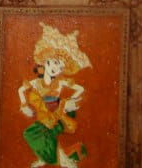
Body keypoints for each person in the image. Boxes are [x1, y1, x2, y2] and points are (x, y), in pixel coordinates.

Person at [18, 23, 90, 168]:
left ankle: (59, 161)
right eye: (55, 63)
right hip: (44, 116)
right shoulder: (36, 82)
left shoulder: (61, 82)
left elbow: (80, 89)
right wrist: (24, 106)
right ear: (46, 60)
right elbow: (20, 90)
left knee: (38, 134)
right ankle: (59, 160)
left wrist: (68, 101)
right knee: (35, 135)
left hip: (58, 114)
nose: (56, 69)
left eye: (60, 67)